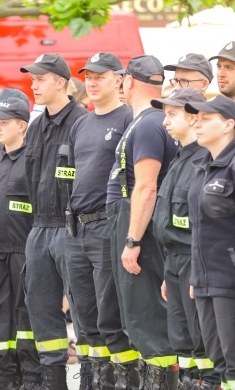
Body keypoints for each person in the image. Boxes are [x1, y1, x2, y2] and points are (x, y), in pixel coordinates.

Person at [106, 55, 179, 389]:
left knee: (148, 319)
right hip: (130, 224)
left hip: (141, 232)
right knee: (136, 318)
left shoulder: (149, 123)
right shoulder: (148, 121)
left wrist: (132, 241)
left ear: (128, 81)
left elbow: (147, 187)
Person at [64, 52, 135, 390]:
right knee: (85, 319)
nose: (91, 82)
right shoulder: (81, 123)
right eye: (87, 77)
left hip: (108, 227)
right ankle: (92, 381)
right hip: (77, 230)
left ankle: (119, 382)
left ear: (118, 80)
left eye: (99, 76)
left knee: (111, 316)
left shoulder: (127, 119)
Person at [20, 53, 87, 389]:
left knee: (83, 307)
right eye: (32, 79)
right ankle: (53, 379)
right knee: (41, 307)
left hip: (71, 227)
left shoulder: (81, 122)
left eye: (40, 79)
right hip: (40, 227)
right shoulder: (35, 128)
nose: (34, 85)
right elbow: (31, 178)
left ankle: (92, 374)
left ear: (60, 82)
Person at [151, 88, 221, 390]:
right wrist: (170, 269)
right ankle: (191, 382)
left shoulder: (203, 162)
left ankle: (209, 383)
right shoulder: (179, 159)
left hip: (196, 260)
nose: (166, 121)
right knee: (182, 337)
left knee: (202, 337)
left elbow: (206, 225)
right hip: (175, 261)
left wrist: (197, 270)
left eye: (172, 114)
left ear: (194, 119)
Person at [0, 97, 41, 390]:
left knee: (26, 316)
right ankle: (1, 377)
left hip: (25, 252)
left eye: (4, 122)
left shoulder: (34, 161)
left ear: (22, 125)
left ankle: (31, 375)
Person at [184, 95, 235, 390]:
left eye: (206, 119)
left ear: (229, 124)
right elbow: (199, 228)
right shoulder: (202, 165)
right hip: (205, 280)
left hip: (229, 278)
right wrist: (197, 274)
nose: (197, 124)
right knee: (219, 357)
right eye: (196, 119)